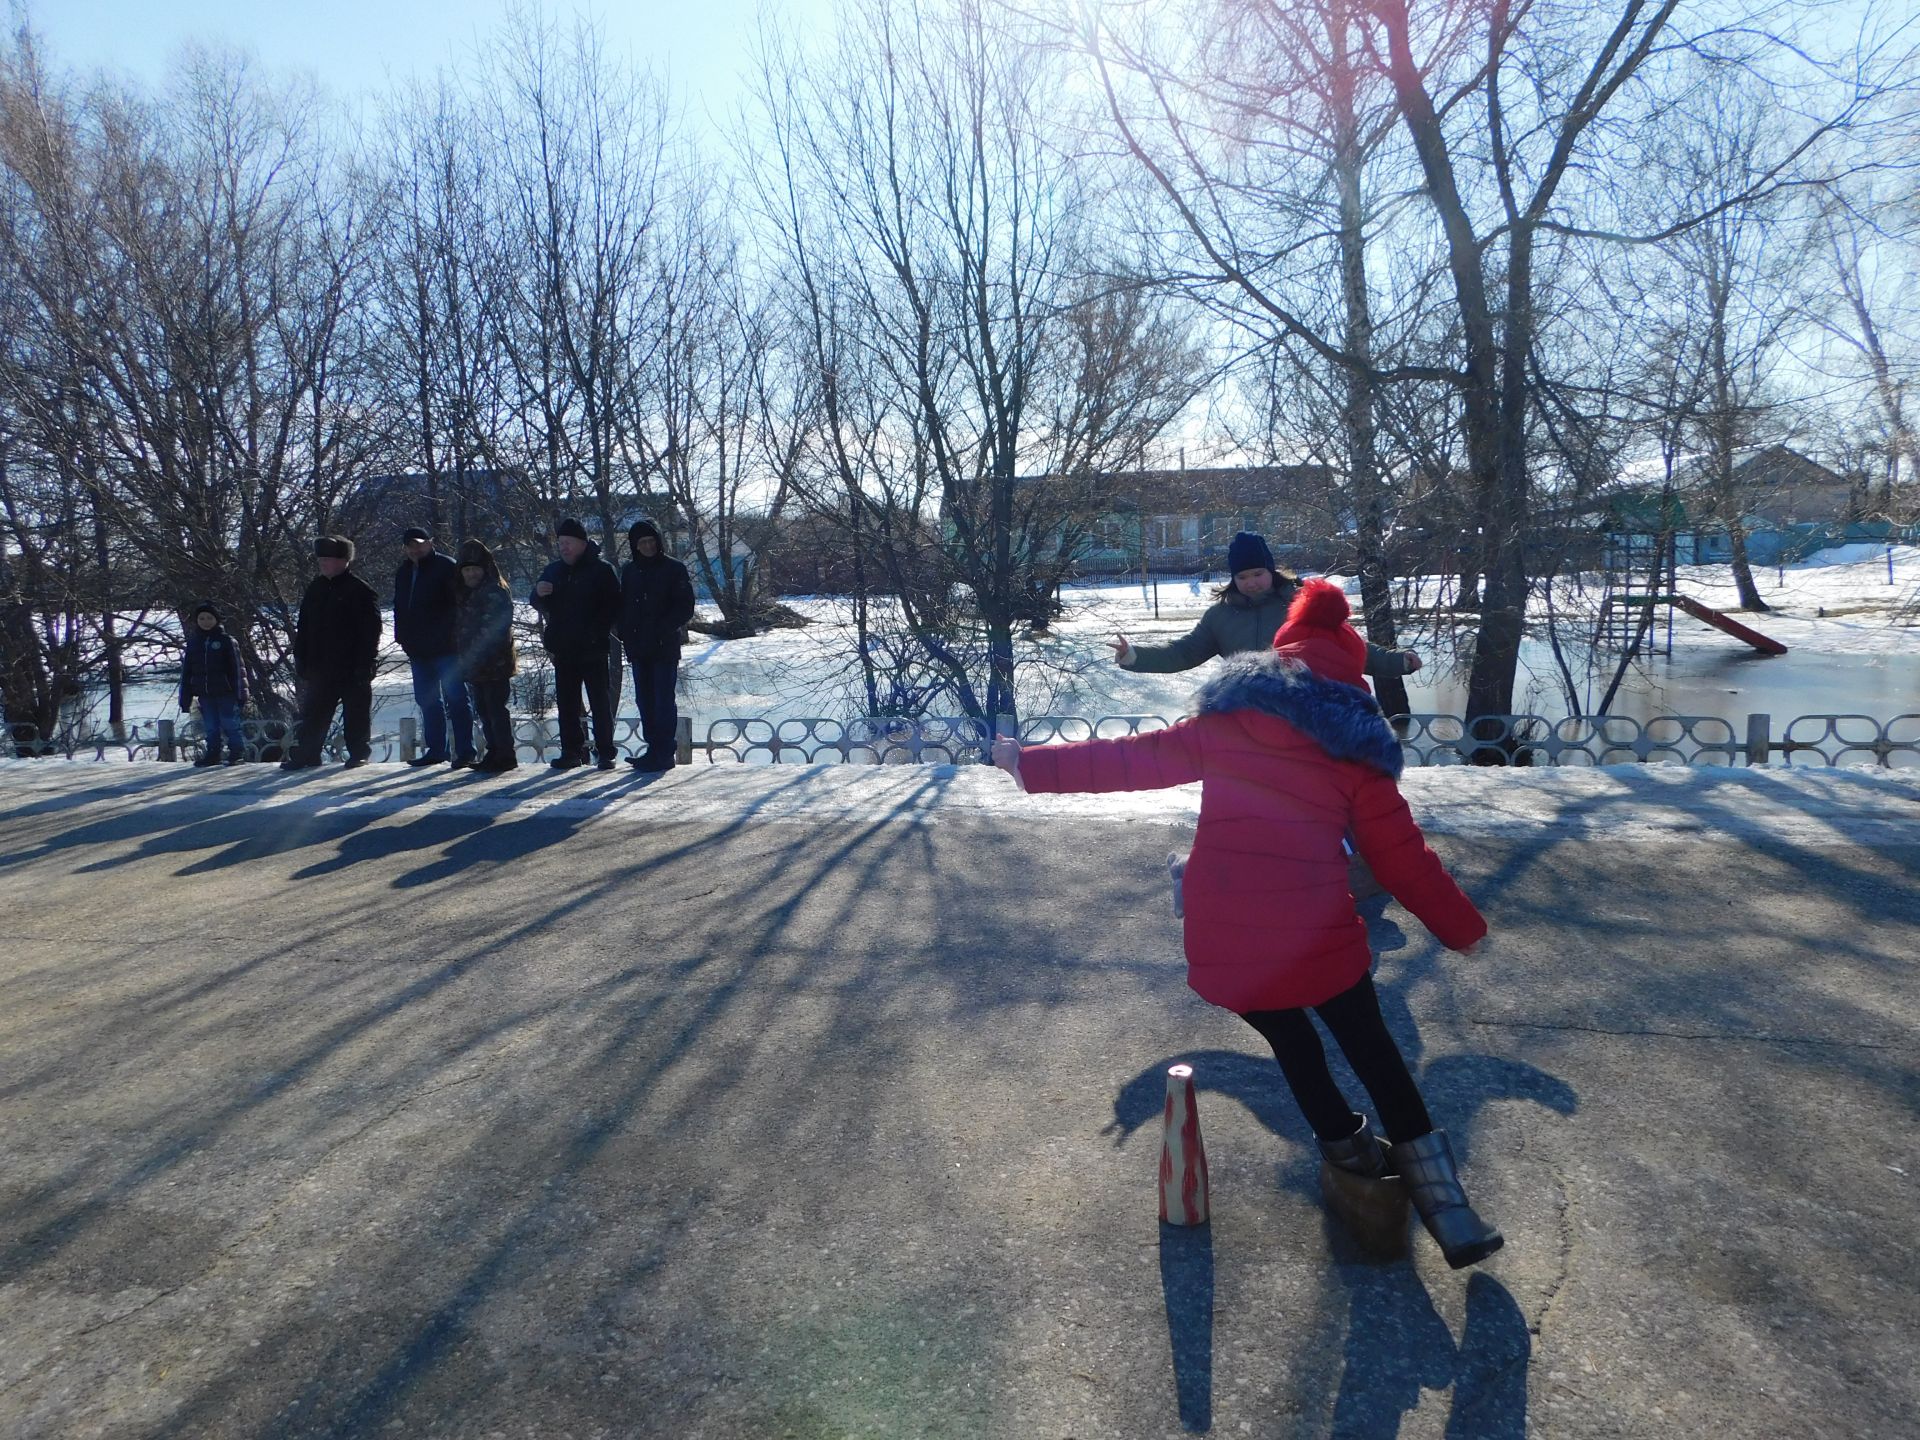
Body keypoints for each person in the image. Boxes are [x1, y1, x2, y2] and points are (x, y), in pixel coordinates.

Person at [993, 579, 1502, 1269]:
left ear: (1281, 657)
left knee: (1292, 1039)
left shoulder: (1227, 723)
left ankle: (1349, 1156)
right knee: (1372, 1048)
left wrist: (1028, 765)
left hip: (1224, 930)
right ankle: (1448, 1208)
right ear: (1352, 674)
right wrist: (1462, 930)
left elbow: (1127, 761)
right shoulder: (1357, 752)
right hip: (1314, 928)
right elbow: (1404, 861)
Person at [1110, 531, 1421, 682]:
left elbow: (1347, 647)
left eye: (1258, 573)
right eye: (1243, 576)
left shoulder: (1303, 606)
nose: (1252, 582)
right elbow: (1183, 652)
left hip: (1304, 711)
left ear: (1271, 571)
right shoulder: (1220, 616)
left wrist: (1397, 662)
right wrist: (1134, 656)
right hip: (1247, 715)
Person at [284, 535, 382, 771]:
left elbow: (371, 632)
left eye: (328, 559)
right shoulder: (315, 588)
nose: (323, 563)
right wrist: (301, 656)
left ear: (343, 561)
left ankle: (358, 753)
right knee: (314, 713)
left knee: (356, 713)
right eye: (321, 559)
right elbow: (304, 626)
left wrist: (365, 663)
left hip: (352, 665)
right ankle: (307, 754)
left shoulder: (360, 590)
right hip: (320, 664)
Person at [531, 517, 621, 772]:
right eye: (560, 543)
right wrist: (538, 592)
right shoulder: (554, 570)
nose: (563, 548)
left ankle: (606, 752)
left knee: (600, 702)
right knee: (567, 703)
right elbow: (535, 600)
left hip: (593, 648)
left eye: (568, 543)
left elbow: (614, 607)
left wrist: (597, 632)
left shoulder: (601, 570)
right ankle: (572, 751)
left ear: (582, 543)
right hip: (564, 648)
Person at [394, 525, 477, 769]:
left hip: (447, 648)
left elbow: (460, 606)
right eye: (410, 545)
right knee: (427, 700)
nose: (415, 549)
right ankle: (436, 749)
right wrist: (402, 637)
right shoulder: (404, 571)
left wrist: (453, 638)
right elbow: (400, 607)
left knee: (457, 699)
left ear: (431, 542)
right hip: (418, 649)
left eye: (420, 543)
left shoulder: (447, 567)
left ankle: (465, 750)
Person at [617, 518, 696, 772]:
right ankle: (653, 748)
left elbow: (685, 606)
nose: (648, 546)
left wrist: (663, 627)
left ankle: (664, 751)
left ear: (658, 541)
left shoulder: (674, 569)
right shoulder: (630, 571)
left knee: (663, 699)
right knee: (644, 700)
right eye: (642, 542)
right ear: (635, 545)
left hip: (664, 646)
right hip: (639, 647)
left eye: (651, 541)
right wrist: (625, 633)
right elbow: (624, 607)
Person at [453, 539, 519, 773]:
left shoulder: (494, 591)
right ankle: (494, 752)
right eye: (467, 570)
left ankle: (505, 754)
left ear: (484, 569)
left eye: (475, 569)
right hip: (476, 665)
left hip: (495, 663)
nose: (471, 574)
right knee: (484, 709)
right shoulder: (465, 593)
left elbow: (495, 630)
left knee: (495, 709)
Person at [179, 601, 248, 766]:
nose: (205, 621)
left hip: (226, 692)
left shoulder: (226, 641)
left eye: (209, 618)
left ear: (217, 620)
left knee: (230, 723)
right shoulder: (194, 643)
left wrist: (241, 694)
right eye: (202, 618)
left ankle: (236, 752)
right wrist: (185, 697)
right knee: (210, 726)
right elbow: (187, 672)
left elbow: (238, 669)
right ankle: (213, 753)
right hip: (205, 693)